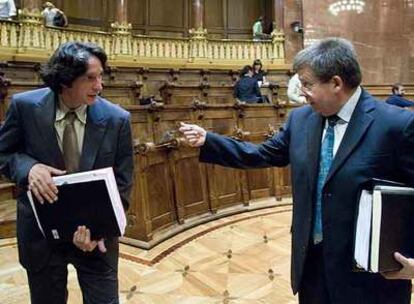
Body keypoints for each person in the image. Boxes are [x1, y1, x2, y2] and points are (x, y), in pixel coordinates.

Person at [180, 37, 414, 303]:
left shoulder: (397, 125)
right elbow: (263, 154)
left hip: (370, 278)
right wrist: (209, 141)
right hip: (311, 267)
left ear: (336, 83)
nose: (301, 90)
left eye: (307, 83)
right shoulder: (301, 119)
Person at [0, 42, 134, 303]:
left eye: (101, 76)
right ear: (65, 81)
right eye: (90, 78)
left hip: (95, 240)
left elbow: (123, 183)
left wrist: (98, 232)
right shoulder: (24, 107)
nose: (99, 86)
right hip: (41, 237)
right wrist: (29, 168)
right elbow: (3, 153)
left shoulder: (118, 119)